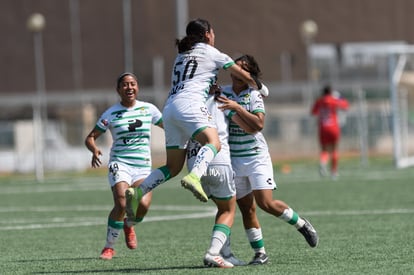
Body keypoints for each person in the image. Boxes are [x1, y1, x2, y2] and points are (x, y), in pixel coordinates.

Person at [125, 19, 269, 220]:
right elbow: (242, 74)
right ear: (208, 34)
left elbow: (194, 80)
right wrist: (261, 87)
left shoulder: (181, 56)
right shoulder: (212, 52)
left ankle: (139, 191)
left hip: (169, 109)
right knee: (214, 142)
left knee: (172, 167)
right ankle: (195, 176)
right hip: (190, 106)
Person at [216, 54, 319, 265]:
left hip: (256, 157)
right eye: (236, 68)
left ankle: (301, 224)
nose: (239, 73)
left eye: (244, 69)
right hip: (233, 159)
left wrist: (236, 108)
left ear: (250, 74)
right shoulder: (222, 92)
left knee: (266, 203)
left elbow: (259, 124)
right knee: (246, 208)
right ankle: (260, 253)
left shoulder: (253, 95)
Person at [85, 72, 163, 260]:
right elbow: (90, 137)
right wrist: (94, 149)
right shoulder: (110, 113)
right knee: (121, 202)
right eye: (125, 85)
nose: (129, 87)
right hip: (120, 163)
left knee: (143, 205)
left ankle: (130, 224)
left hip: (143, 166)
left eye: (133, 84)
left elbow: (168, 126)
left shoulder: (149, 109)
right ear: (118, 89)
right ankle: (109, 247)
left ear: (137, 87)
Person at [186, 84, 245, 268]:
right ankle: (213, 253)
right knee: (228, 209)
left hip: (194, 162)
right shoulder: (221, 102)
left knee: (221, 208)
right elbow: (251, 126)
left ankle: (226, 253)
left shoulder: (186, 105)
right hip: (218, 160)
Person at [311, 85, 349, 180]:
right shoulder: (334, 100)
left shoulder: (319, 101)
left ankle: (323, 163)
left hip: (323, 128)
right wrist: (340, 97)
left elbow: (313, 112)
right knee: (334, 149)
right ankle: (334, 172)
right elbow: (345, 105)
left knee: (324, 150)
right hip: (333, 127)